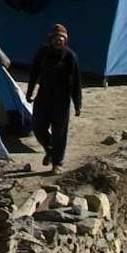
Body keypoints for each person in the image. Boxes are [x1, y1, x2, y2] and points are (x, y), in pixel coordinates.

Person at [28, 22, 82, 169]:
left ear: (65, 40)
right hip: (43, 99)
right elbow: (34, 74)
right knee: (37, 127)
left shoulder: (70, 57)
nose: (59, 41)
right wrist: (29, 92)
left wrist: (77, 104)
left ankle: (58, 163)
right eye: (56, 38)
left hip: (61, 102)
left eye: (61, 38)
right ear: (50, 40)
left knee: (59, 134)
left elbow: (76, 82)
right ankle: (50, 150)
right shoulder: (42, 53)